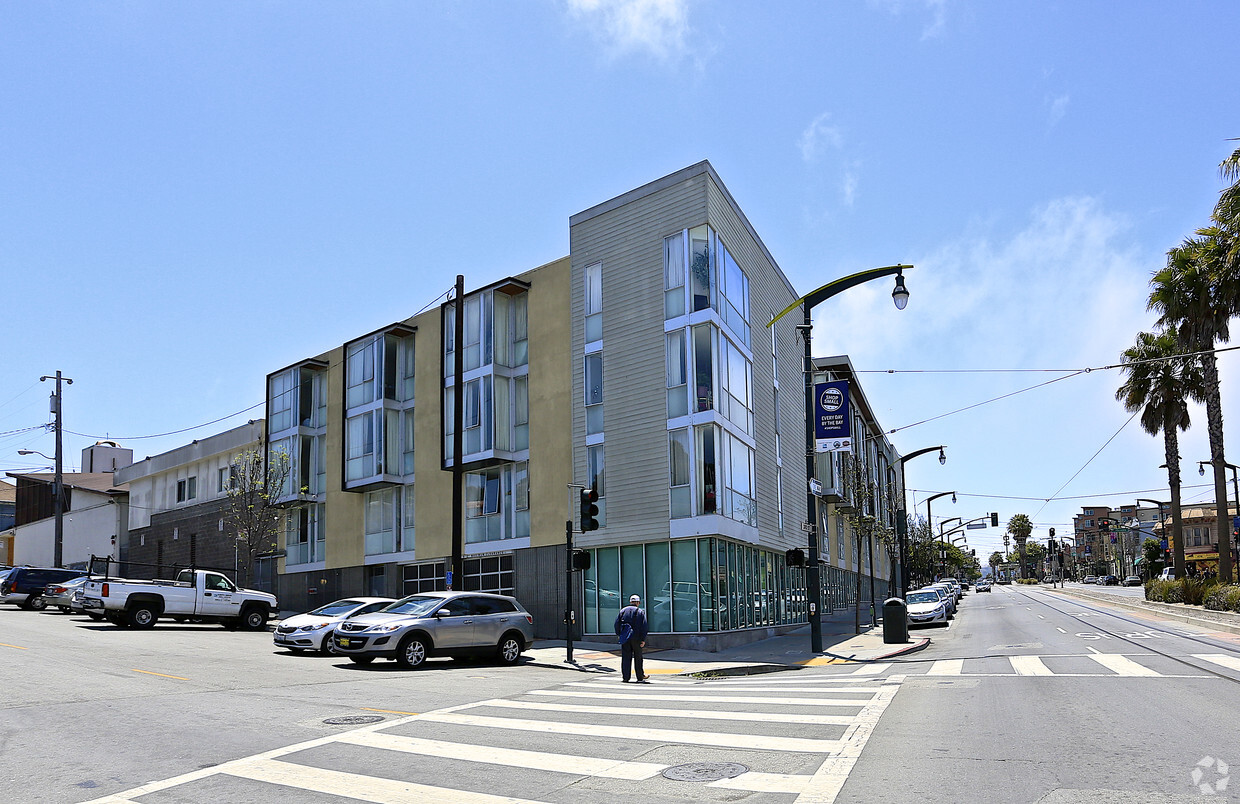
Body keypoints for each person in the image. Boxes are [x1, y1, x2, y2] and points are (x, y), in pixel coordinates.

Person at [614, 593, 649, 683]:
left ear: (630, 602)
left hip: (625, 638)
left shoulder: (623, 611)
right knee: (638, 657)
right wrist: (643, 639)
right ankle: (640, 677)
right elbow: (644, 626)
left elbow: (616, 624)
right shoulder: (640, 612)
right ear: (638, 602)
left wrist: (619, 635)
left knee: (626, 657)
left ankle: (626, 677)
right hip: (636, 638)